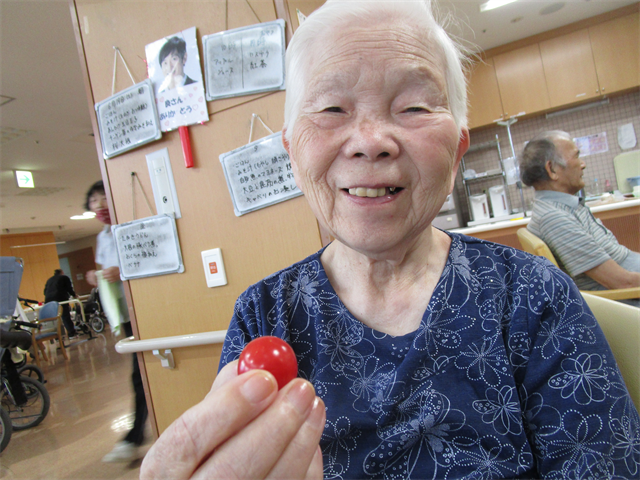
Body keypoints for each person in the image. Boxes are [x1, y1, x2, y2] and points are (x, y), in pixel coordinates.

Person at [141, 1, 640, 478]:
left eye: (414, 106)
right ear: (294, 152)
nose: (370, 140)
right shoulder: (266, 315)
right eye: (333, 107)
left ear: (457, 149)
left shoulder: (533, 298)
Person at [521, 130, 640, 305]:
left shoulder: (564, 208)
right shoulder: (554, 219)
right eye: (577, 156)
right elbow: (624, 282)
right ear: (552, 169)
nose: (583, 164)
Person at [84, 181, 149, 462]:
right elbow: (106, 271)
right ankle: (136, 434)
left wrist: (120, 271)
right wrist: (97, 276)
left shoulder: (132, 226)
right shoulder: (102, 237)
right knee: (139, 373)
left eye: (102, 198)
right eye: (93, 201)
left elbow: (145, 261)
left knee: (141, 373)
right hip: (125, 314)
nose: (98, 205)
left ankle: (134, 436)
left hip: (145, 308)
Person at [43, 268, 77, 338]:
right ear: (62, 272)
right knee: (65, 316)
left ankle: (58, 335)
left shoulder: (49, 280)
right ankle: (71, 333)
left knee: (55, 318)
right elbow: (69, 288)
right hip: (60, 299)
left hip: (49, 301)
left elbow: (44, 292)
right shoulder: (64, 277)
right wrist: (74, 295)